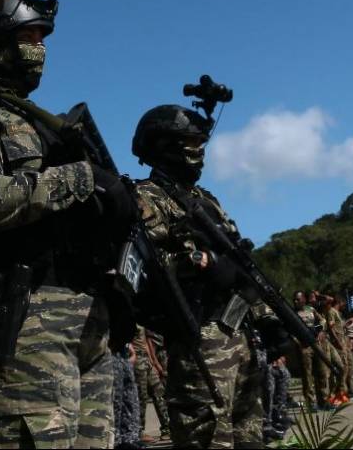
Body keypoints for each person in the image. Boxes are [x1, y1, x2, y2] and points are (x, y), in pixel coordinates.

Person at [0, 0, 136, 448]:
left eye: (42, 37)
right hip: (26, 326)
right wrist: (80, 179)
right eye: (29, 36)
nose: (39, 49)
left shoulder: (36, 121)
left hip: (83, 320)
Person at [134, 101, 266, 447]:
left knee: (250, 437)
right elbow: (146, 265)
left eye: (201, 145)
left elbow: (240, 263)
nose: (200, 153)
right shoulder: (148, 198)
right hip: (200, 341)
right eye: (192, 144)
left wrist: (264, 314)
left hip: (240, 335)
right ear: (165, 147)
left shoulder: (206, 199)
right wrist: (200, 261)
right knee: (207, 437)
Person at [133, 326, 171, 444]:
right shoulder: (130, 317)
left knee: (159, 392)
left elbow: (146, 341)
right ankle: (139, 431)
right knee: (142, 396)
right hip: (138, 359)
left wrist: (152, 362)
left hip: (146, 359)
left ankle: (167, 428)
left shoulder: (141, 320)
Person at [294, 291, 329, 410]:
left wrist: (320, 331)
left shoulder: (311, 309)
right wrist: (298, 342)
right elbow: (291, 331)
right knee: (307, 375)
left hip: (316, 344)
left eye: (298, 299)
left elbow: (323, 321)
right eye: (294, 299)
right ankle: (310, 402)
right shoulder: (293, 313)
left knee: (322, 372)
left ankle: (323, 400)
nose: (296, 301)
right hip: (304, 347)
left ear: (304, 299)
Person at [112, 343, 142, 449]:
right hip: (110, 355)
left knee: (130, 405)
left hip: (124, 354)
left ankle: (131, 441)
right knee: (115, 406)